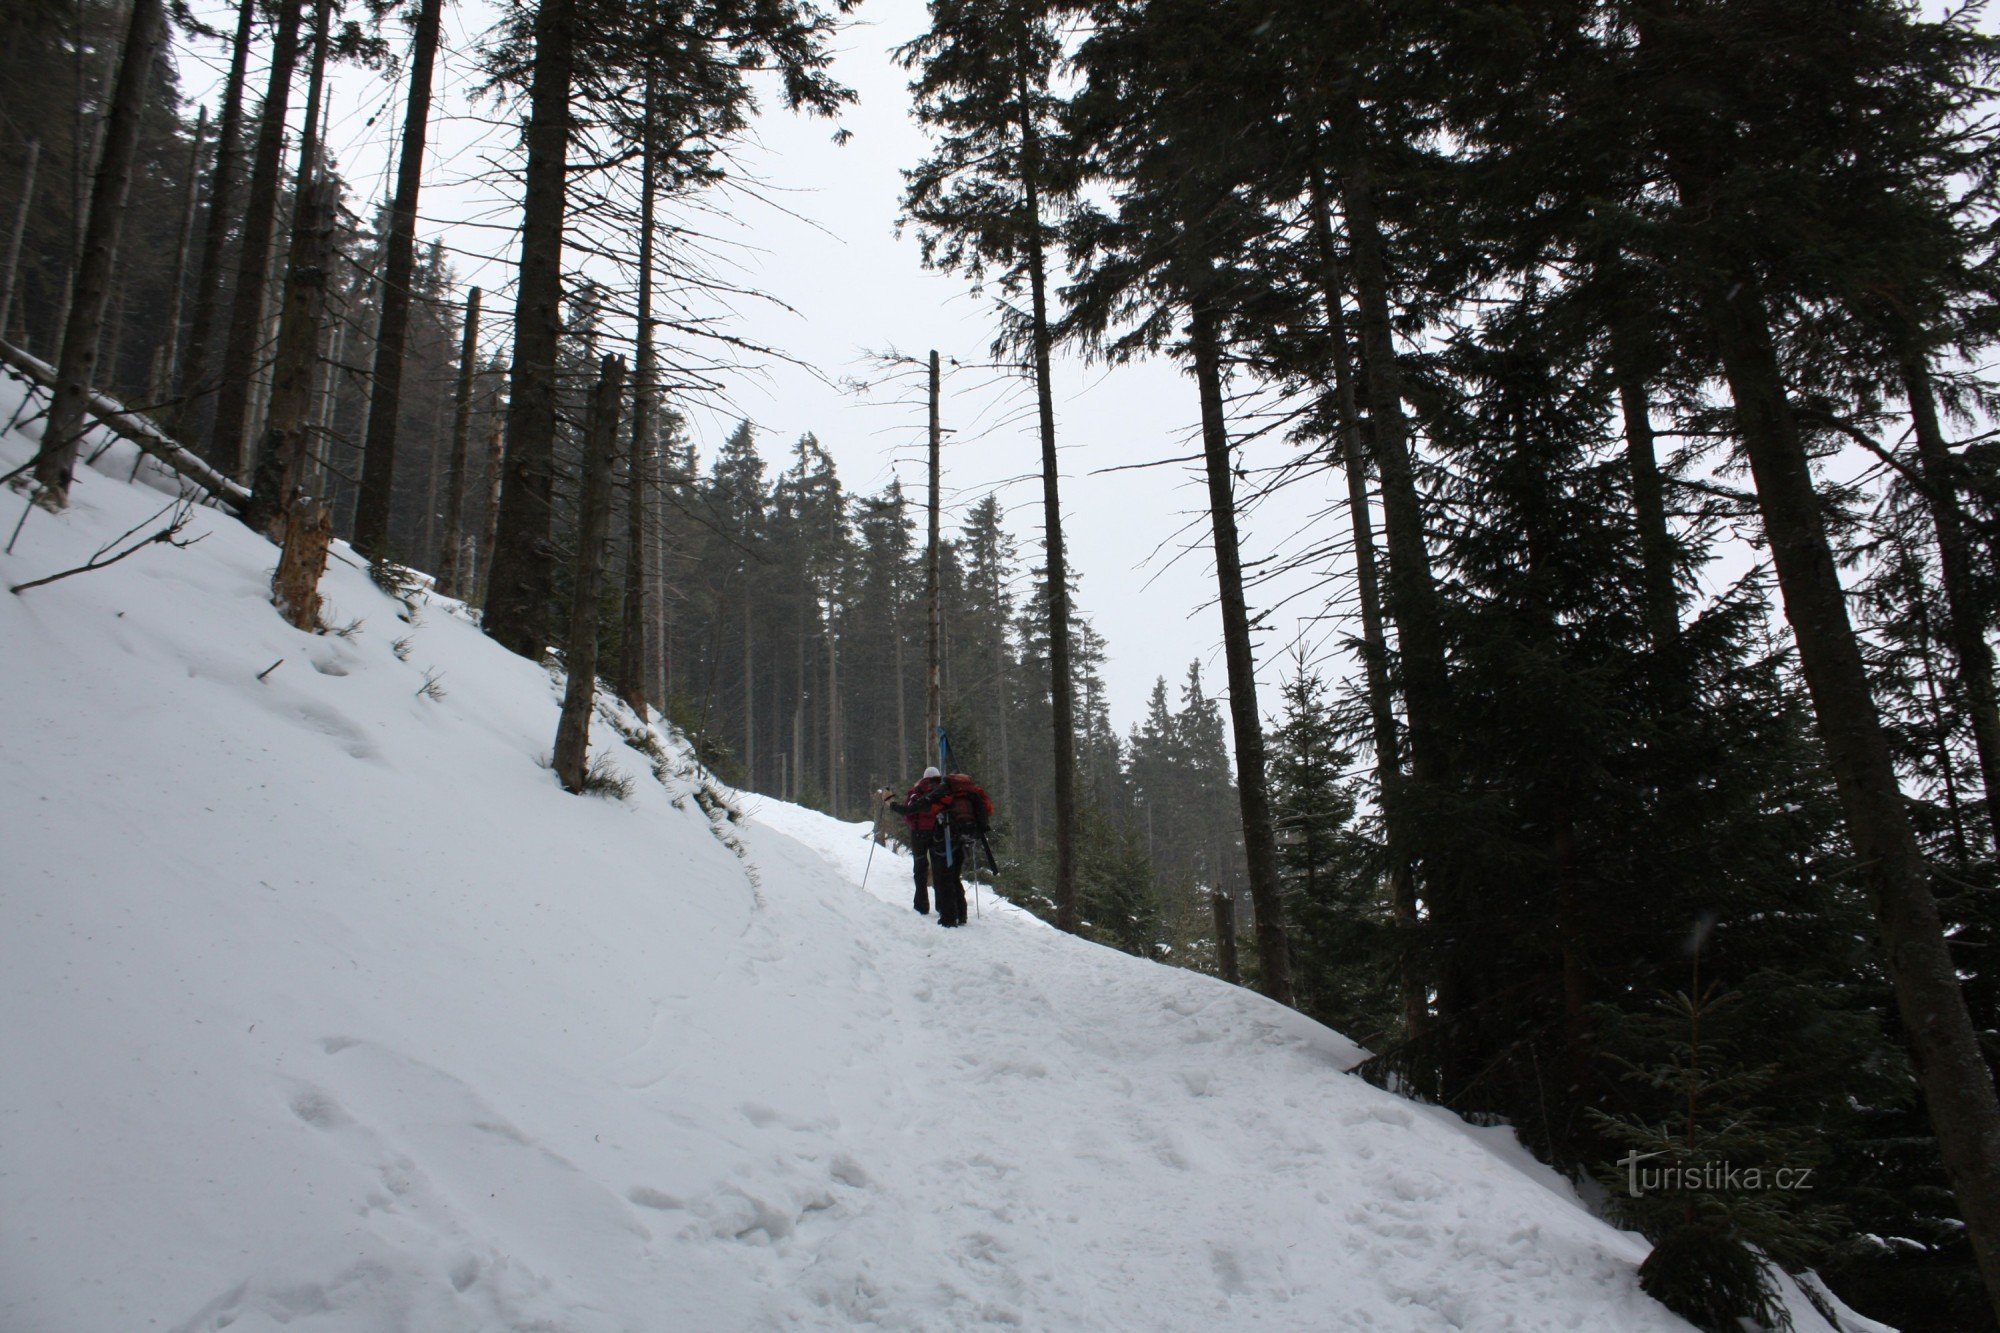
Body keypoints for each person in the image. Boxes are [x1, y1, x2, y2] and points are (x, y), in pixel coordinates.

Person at [880, 766, 971, 927]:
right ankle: (943, 906)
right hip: (939, 834)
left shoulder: (918, 790)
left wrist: (890, 802)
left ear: (924, 777)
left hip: (919, 834)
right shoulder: (944, 790)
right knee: (939, 871)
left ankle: (921, 906)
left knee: (920, 869)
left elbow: (908, 811)